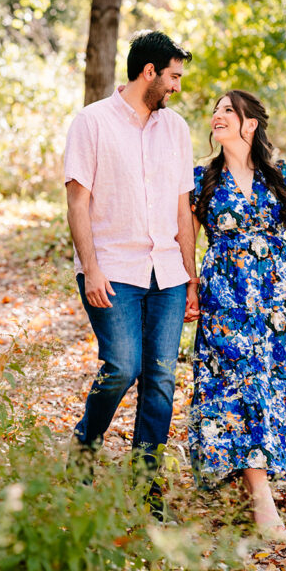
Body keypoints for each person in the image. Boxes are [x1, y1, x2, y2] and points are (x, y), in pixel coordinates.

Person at [186, 90, 286, 535]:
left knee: (274, 380)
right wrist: (190, 286)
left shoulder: (280, 173)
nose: (216, 116)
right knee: (234, 383)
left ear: (249, 123)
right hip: (227, 298)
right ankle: (260, 499)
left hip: (279, 297)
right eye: (215, 110)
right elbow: (185, 238)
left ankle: (258, 475)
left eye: (227, 110)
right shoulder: (202, 180)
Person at [63, 30, 199, 490]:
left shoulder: (176, 129)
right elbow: (77, 203)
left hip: (168, 272)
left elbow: (184, 211)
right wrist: (92, 267)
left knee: (161, 378)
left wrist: (191, 279)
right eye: (174, 77)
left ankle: (147, 484)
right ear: (149, 72)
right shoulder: (91, 122)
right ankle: (86, 445)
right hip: (113, 270)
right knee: (123, 365)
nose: (177, 87)